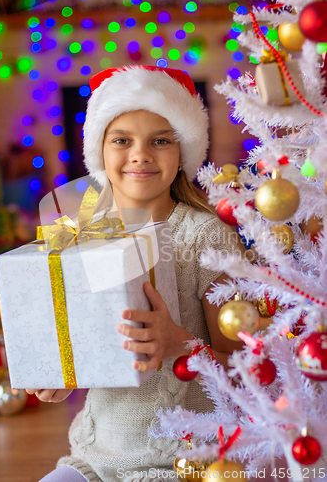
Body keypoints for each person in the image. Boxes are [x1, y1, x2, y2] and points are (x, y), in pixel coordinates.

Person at [26, 65, 244, 482]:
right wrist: (64, 373)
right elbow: (94, 343)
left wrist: (181, 344)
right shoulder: (83, 235)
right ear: (100, 153)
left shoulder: (206, 238)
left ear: (183, 153)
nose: (140, 154)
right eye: (121, 140)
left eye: (160, 141)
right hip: (95, 458)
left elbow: (245, 370)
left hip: (185, 463)